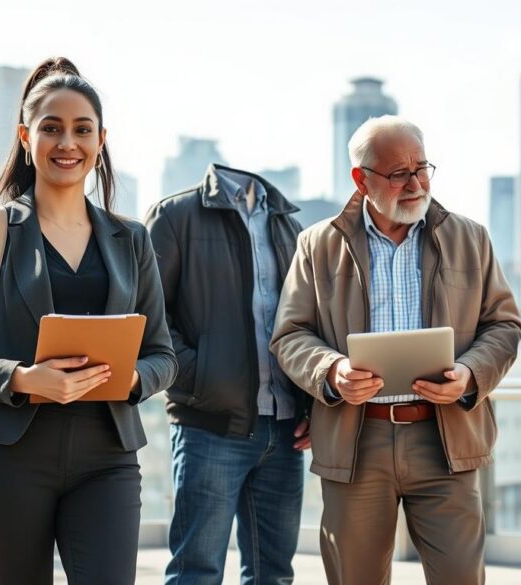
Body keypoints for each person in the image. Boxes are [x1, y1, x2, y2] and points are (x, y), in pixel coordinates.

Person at [0, 57, 177, 585]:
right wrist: (23, 378)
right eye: (51, 128)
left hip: (108, 457)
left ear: (101, 140)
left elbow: (163, 355)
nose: (68, 143)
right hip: (8, 458)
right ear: (26, 137)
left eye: (83, 129)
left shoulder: (132, 239)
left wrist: (130, 377)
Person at [270, 115, 521, 585]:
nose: (415, 183)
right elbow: (290, 335)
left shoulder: (471, 238)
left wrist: (470, 373)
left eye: (422, 168)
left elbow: (505, 326)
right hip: (355, 442)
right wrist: (332, 370)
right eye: (399, 173)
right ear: (360, 179)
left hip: (447, 441)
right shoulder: (318, 244)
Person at [144, 164, 310, 585]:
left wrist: (312, 407)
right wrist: (203, 380)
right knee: (196, 573)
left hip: (285, 430)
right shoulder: (175, 216)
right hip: (209, 426)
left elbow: (308, 324)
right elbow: (148, 318)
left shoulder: (289, 225)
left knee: (274, 575)